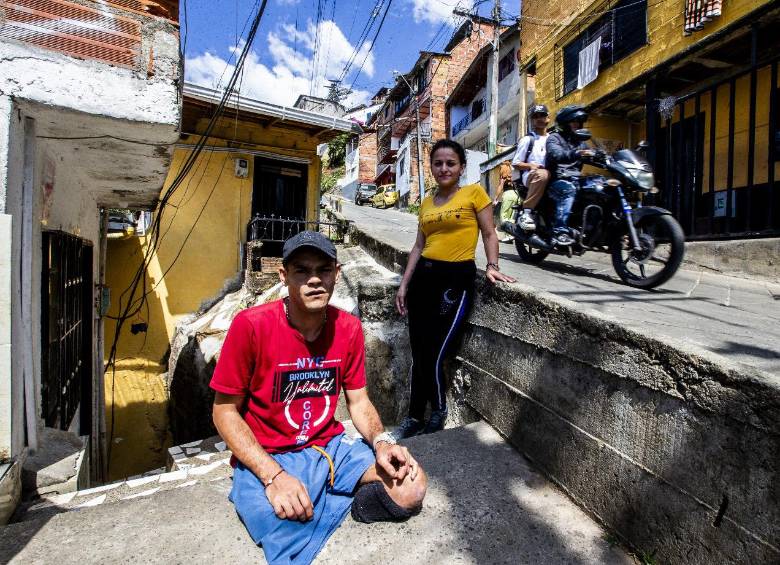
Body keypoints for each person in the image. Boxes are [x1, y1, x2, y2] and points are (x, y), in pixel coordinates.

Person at [211, 231, 428, 565]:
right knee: (285, 523)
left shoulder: (349, 328)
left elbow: (358, 402)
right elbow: (224, 413)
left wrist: (382, 442)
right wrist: (273, 477)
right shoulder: (250, 326)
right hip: (269, 455)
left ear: (336, 274)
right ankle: (324, 496)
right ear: (284, 276)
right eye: (302, 270)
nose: (314, 280)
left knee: (411, 485)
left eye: (323, 270)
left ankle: (350, 503)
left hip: (327, 449)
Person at [394, 139, 516, 440]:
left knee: (435, 352)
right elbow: (419, 245)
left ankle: (438, 411)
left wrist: (492, 265)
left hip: (455, 280)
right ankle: (413, 417)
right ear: (432, 167)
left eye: (451, 163)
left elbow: (489, 232)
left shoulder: (474, 193)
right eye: (438, 163)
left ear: (461, 167)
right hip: (423, 279)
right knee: (419, 352)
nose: (444, 168)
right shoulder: (425, 203)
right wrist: (405, 283)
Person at [545, 105, 594, 246]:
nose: (577, 125)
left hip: (575, 179)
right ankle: (560, 231)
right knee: (568, 189)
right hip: (557, 180)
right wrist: (575, 153)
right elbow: (557, 154)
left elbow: (590, 156)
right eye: (574, 122)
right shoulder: (554, 138)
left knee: (600, 186)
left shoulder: (580, 143)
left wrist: (602, 157)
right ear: (565, 123)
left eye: (579, 122)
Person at [511, 104, 552, 232]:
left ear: (548, 118)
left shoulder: (554, 139)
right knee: (543, 174)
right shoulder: (528, 139)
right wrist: (531, 165)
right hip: (531, 176)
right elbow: (516, 163)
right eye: (535, 116)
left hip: (550, 176)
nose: (539, 119)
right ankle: (527, 212)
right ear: (532, 120)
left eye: (542, 115)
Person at [494, 160, 517, 243]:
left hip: (508, 194)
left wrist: (495, 198)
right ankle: (510, 236)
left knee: (503, 215)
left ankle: (508, 236)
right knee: (512, 216)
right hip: (517, 194)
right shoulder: (514, 170)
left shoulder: (504, 169)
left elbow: (501, 185)